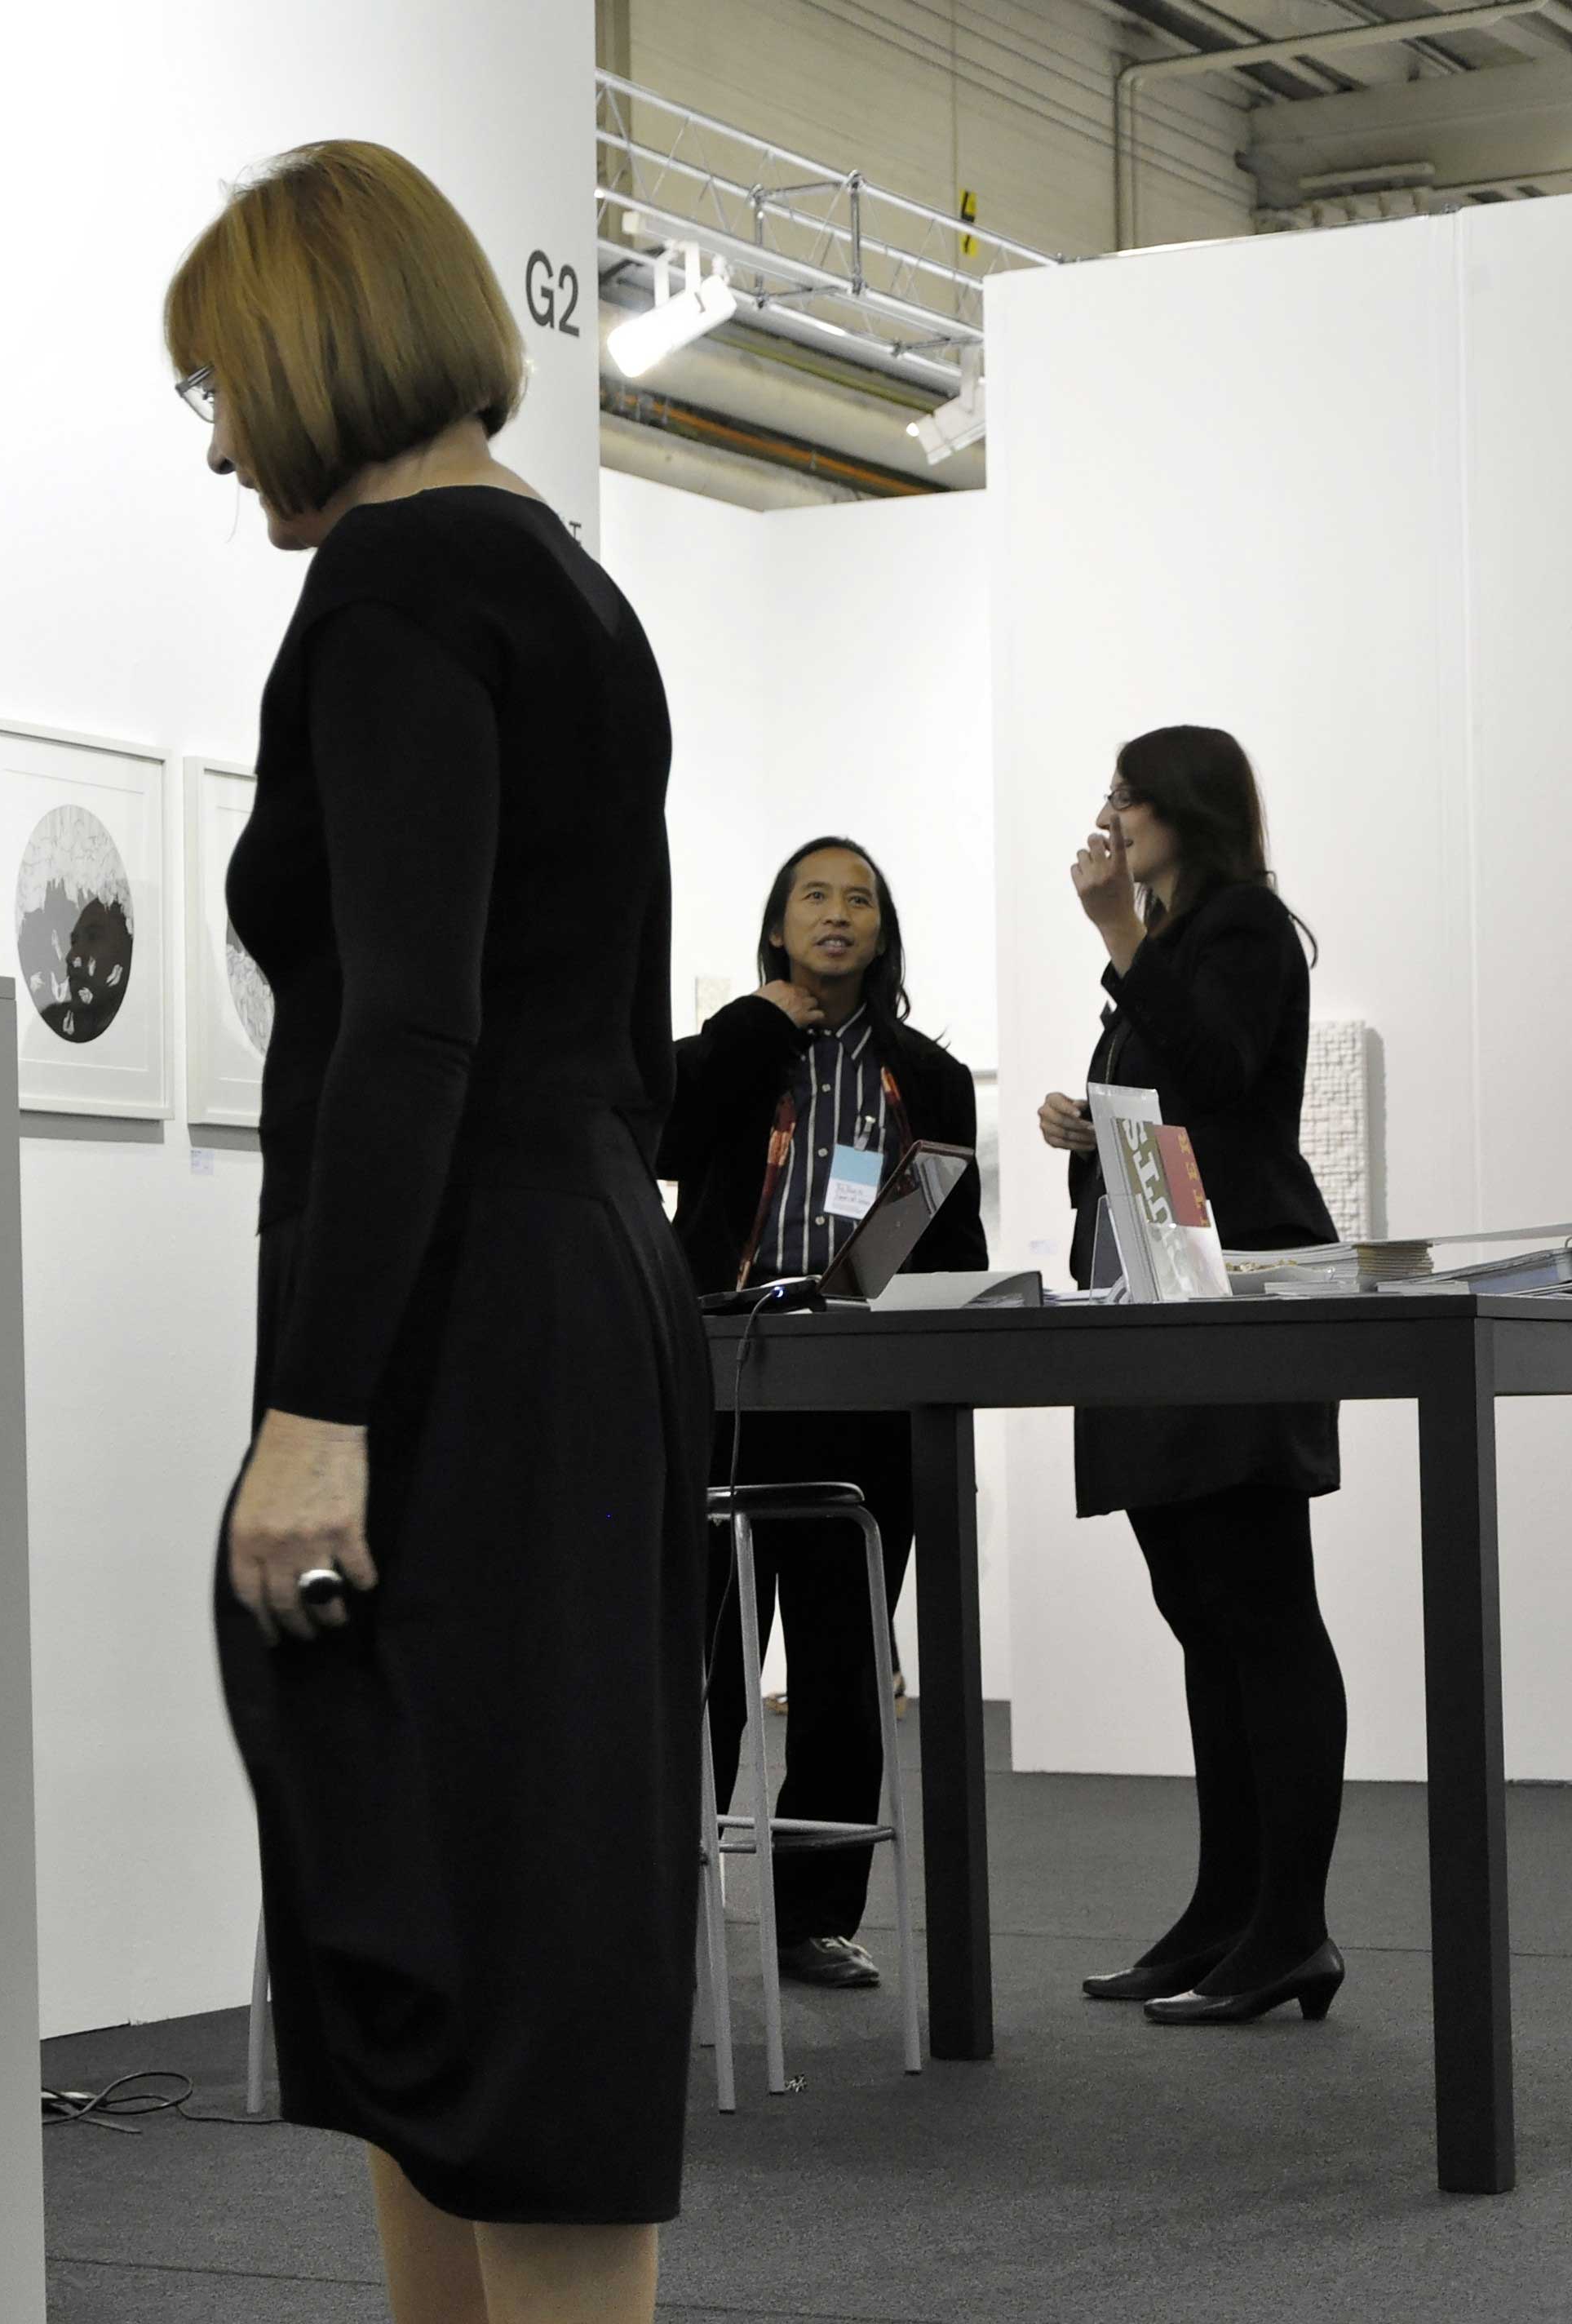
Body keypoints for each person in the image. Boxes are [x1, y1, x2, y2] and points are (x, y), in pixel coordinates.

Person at [178, 141, 709, 2324]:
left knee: (491, 1924)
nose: (218, 444)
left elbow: (407, 1021)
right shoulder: (565, 584)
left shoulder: (397, 586)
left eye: (220, 385)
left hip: (470, 1312)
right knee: (474, 1900)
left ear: (312, 349)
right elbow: (619, 1030)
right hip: (569, 1273)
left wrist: (317, 1411)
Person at [1038, 725, 1347, 2027]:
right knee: (1203, 1614)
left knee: (1261, 1609)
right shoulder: (1169, 947)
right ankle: (1226, 1916)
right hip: (1156, 1293)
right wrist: (1083, 1127)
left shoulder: (1247, 929)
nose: (1110, 818)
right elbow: (1165, 1112)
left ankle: (1291, 1929)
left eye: (1129, 797)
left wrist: (1119, 934)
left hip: (1233, 1291)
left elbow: (1220, 1077)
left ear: (1184, 810)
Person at [658, 838, 985, 1992]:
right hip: (728, 1378)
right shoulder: (733, 1048)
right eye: (814, 895)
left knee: (845, 1668)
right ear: (779, 924)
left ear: (883, 931)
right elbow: (660, 1138)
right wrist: (755, 1023)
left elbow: (955, 1244)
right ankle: (663, 1900)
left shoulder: (928, 1076)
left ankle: (812, 1917)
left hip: (862, 1387)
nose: (837, 913)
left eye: (858, 899)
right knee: (700, 1655)